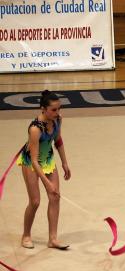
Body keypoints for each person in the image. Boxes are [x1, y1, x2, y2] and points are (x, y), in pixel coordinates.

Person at [17, 90, 71, 250]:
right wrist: (47, 183)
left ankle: (53, 239)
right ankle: (26, 235)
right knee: (35, 202)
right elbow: (34, 161)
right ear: (43, 109)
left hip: (47, 159)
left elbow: (58, 140)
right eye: (53, 110)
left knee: (55, 198)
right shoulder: (35, 129)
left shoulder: (58, 120)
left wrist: (65, 163)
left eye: (59, 109)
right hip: (31, 163)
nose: (57, 112)